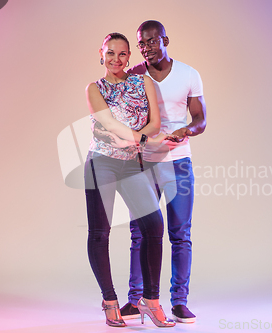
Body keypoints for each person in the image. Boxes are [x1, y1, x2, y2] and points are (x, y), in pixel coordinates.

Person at [84, 32, 175, 328]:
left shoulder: (142, 81)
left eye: (122, 54)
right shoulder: (94, 88)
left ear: (129, 57)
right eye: (110, 53)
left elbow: (155, 121)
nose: (116, 59)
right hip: (101, 163)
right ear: (101, 55)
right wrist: (145, 139)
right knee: (100, 232)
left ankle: (150, 301)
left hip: (130, 164)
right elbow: (108, 123)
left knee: (154, 226)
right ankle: (109, 301)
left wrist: (136, 141)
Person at [120, 20, 207, 323]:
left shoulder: (188, 74)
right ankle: (135, 300)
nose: (147, 48)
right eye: (141, 44)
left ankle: (179, 302)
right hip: (144, 164)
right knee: (139, 234)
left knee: (180, 234)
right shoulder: (134, 75)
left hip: (179, 162)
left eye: (152, 41)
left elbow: (200, 119)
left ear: (165, 40)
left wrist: (187, 130)